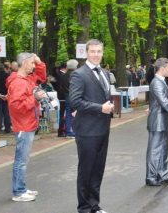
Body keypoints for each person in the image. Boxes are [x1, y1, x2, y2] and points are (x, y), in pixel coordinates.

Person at [68, 39, 115, 213]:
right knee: (86, 170)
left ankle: (94, 205)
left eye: (99, 51)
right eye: (93, 51)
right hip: (87, 130)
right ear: (86, 53)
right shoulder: (79, 74)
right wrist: (100, 108)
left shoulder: (104, 72)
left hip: (103, 128)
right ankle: (84, 208)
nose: (96, 54)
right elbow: (75, 101)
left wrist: (108, 106)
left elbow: (101, 96)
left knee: (98, 170)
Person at [5, 52, 47, 202]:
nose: (34, 66)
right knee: (21, 160)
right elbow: (16, 106)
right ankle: (18, 191)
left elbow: (41, 77)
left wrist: (39, 61)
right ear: (23, 63)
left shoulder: (26, 79)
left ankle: (21, 188)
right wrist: (34, 98)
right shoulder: (19, 82)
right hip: (23, 125)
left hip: (26, 124)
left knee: (22, 159)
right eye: (31, 63)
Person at [145, 58, 168, 186]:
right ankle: (151, 176)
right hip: (157, 121)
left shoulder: (160, 81)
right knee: (155, 150)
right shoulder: (156, 83)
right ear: (162, 68)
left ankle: (162, 174)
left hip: (162, 120)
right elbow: (163, 102)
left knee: (163, 149)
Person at [64, 60, 79, 138]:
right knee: (73, 114)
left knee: (68, 114)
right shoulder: (75, 75)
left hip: (67, 96)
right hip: (73, 96)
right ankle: (71, 131)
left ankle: (68, 131)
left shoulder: (65, 75)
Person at [0, 61, 14, 134]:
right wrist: (7, 95)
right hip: (6, 96)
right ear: (5, 68)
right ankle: (7, 128)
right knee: (7, 113)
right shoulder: (8, 76)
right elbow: (10, 87)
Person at [55, 63, 70, 137]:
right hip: (63, 97)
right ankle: (61, 130)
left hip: (61, 96)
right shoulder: (62, 75)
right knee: (63, 114)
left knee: (62, 114)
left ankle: (61, 130)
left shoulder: (58, 74)